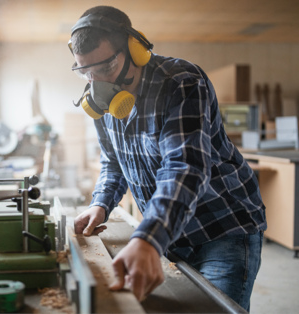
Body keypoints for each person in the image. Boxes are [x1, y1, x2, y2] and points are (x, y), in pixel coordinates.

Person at [70, 5, 267, 311]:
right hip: (172, 230)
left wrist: (148, 239)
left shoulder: (181, 83)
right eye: (86, 71)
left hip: (222, 226)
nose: (97, 82)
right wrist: (100, 203)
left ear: (134, 49)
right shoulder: (100, 101)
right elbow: (113, 162)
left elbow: (184, 168)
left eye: (105, 68)